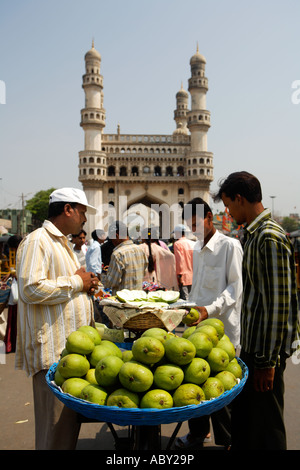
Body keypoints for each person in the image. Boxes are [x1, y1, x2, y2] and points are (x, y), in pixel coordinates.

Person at [213, 171, 300, 450]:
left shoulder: (268, 237)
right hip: (253, 347)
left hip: (265, 352)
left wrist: (267, 362)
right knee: (248, 423)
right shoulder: (251, 235)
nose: (227, 212)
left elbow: (277, 306)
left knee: (268, 426)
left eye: (228, 205)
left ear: (240, 199)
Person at [15, 187, 100, 450]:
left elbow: (63, 284)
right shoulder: (37, 241)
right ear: (68, 209)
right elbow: (31, 289)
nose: (85, 220)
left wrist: (85, 283)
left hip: (69, 352)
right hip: (53, 353)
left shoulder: (62, 244)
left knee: (65, 430)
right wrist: (77, 282)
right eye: (83, 212)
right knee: (54, 433)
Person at [176, 197, 243, 450]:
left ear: (209, 217)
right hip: (198, 329)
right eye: (189, 225)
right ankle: (198, 434)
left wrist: (209, 310)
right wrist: (185, 309)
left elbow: (234, 289)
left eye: (197, 223)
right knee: (194, 382)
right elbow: (197, 291)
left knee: (221, 390)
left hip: (222, 331)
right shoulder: (196, 247)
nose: (195, 229)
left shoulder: (230, 246)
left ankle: (227, 442)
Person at [104, 221, 148, 295]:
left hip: (123, 301)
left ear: (116, 236)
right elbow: (144, 272)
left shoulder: (117, 254)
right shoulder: (140, 250)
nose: (112, 241)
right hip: (138, 297)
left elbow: (111, 282)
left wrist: (105, 276)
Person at [173, 224, 195, 299]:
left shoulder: (177, 244)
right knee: (194, 300)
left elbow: (179, 261)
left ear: (178, 233)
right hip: (194, 276)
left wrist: (179, 276)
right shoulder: (193, 244)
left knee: (186, 301)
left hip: (184, 277)